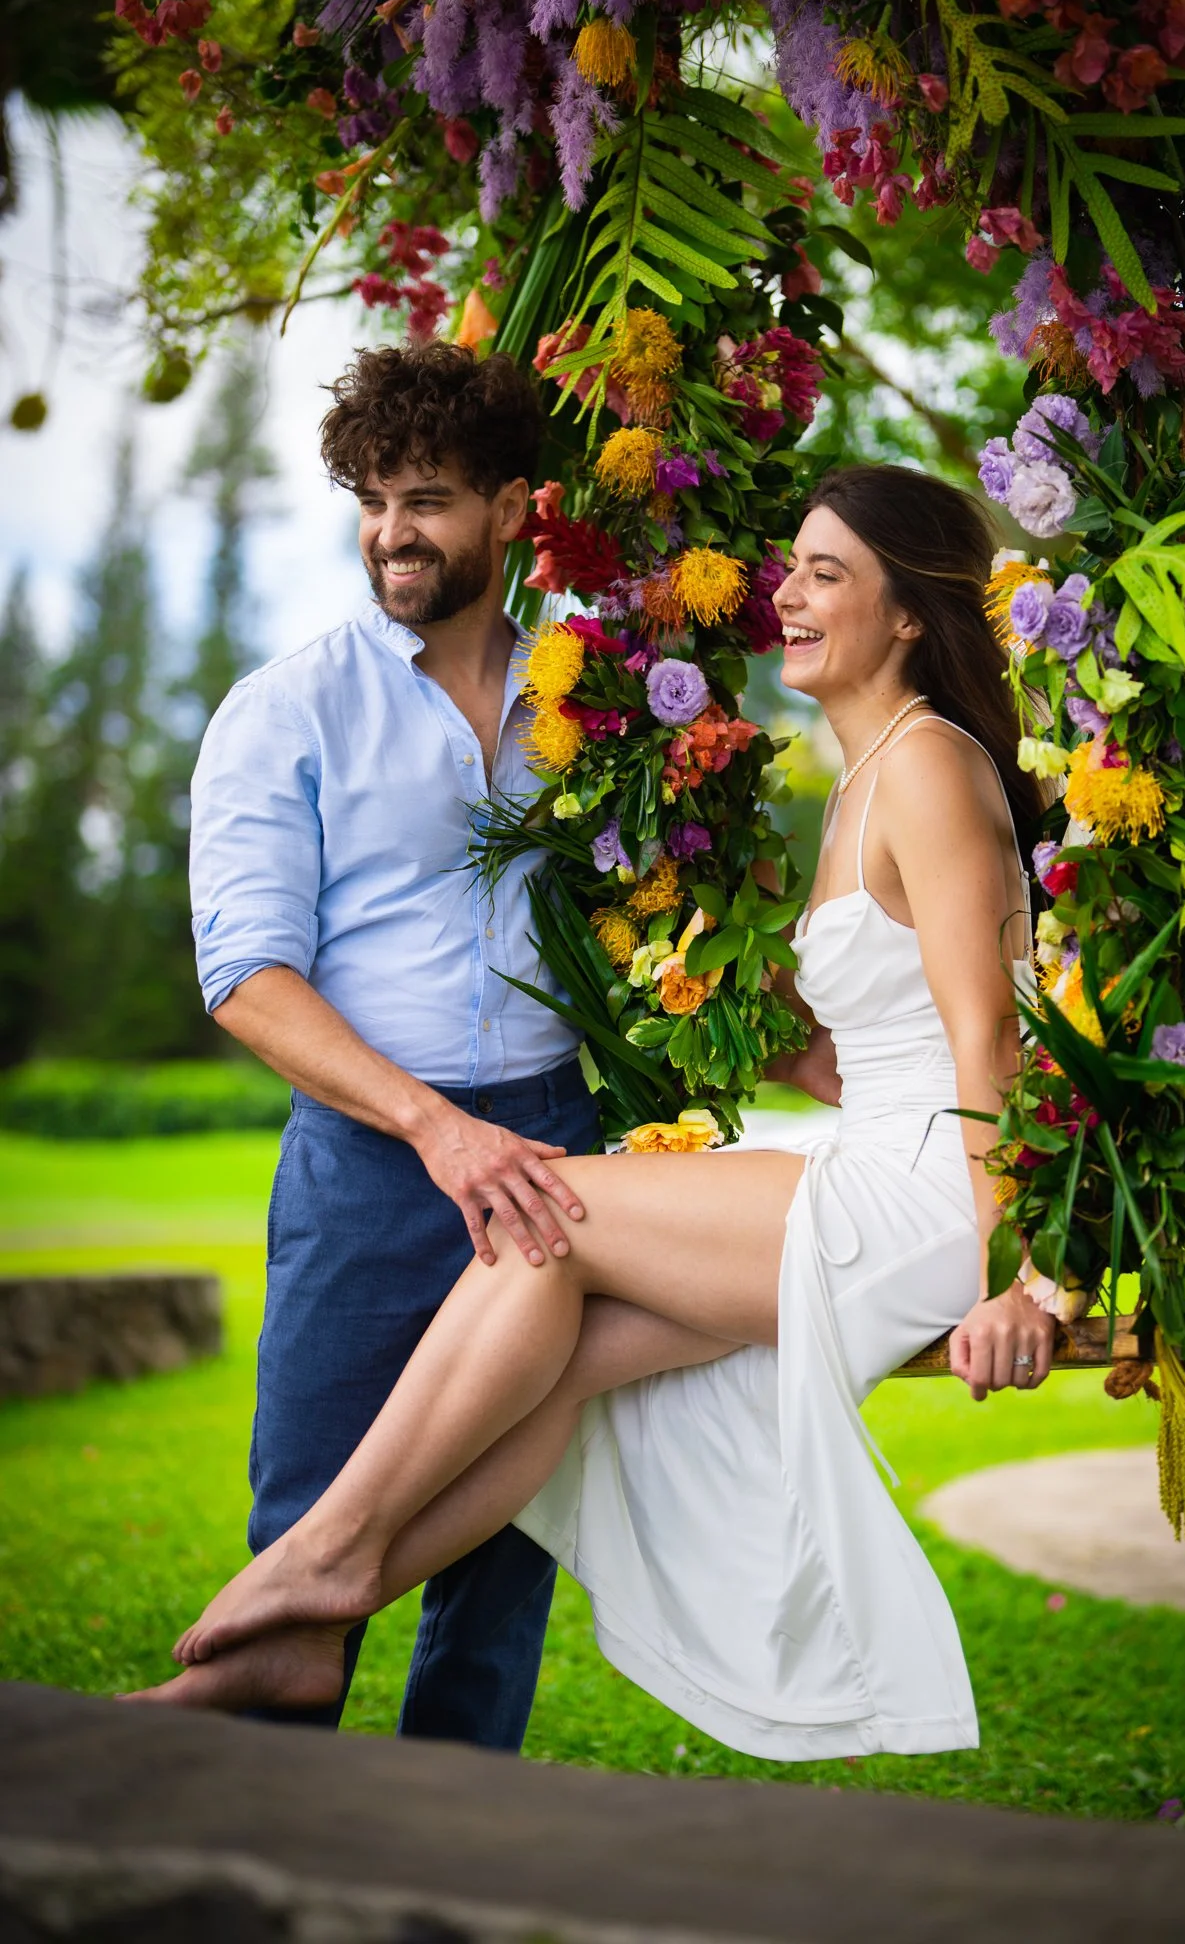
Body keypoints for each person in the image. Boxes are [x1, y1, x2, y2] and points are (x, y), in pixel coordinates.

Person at [132, 462, 1056, 1762]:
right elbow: (892, 1023)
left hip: (927, 1194)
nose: (784, 594)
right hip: (879, 1155)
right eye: (790, 566)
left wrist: (1024, 1274)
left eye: (825, 574)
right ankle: (308, 1628)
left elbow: (991, 1043)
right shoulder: (868, 773)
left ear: (911, 615)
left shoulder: (929, 769)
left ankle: (326, 1562)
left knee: (550, 1215)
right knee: (561, 1372)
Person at [185, 343, 602, 1747]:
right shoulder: (288, 708)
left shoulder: (599, 706)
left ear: (513, 508)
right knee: (308, 1529)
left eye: (425, 499)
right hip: (370, 1167)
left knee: (504, 1552)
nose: (389, 534)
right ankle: (246, 1841)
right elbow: (247, 976)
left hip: (556, 1151)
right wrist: (436, 1128)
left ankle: (445, 1855)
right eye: (371, 501)